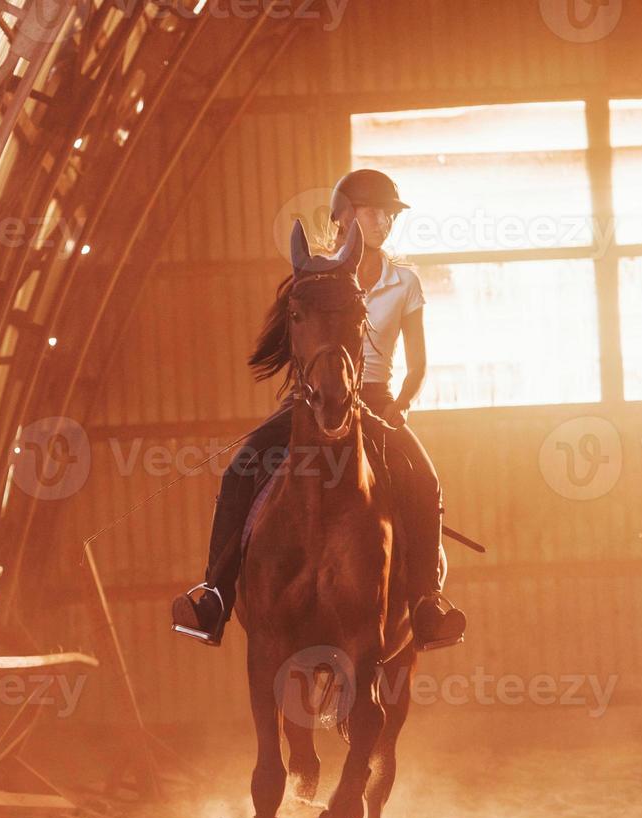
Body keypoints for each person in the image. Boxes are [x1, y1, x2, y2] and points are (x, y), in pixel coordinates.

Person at [172, 169, 467, 650]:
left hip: (375, 400)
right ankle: (215, 596)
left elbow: (419, 365)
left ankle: (426, 603)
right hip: (313, 400)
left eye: (389, 215)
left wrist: (399, 406)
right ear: (345, 216)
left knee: (426, 480)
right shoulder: (316, 275)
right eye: (375, 212)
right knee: (239, 469)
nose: (385, 222)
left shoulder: (405, 283)